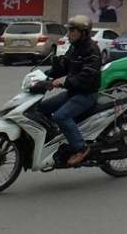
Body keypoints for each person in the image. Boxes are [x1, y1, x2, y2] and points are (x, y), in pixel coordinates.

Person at [39, 15, 102, 167]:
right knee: (41, 108)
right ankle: (55, 138)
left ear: (83, 32)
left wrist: (64, 82)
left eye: (73, 30)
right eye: (69, 30)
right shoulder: (74, 47)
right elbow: (64, 65)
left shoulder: (92, 50)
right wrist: (43, 75)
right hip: (73, 92)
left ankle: (81, 148)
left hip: (86, 94)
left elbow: (86, 77)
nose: (69, 33)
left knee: (60, 116)